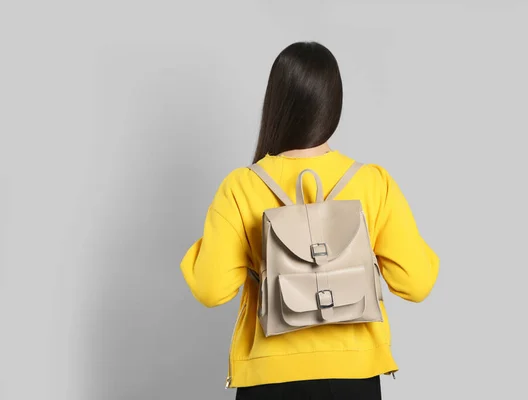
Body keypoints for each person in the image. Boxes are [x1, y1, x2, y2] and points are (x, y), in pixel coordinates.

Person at [180, 41, 440, 400]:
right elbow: (417, 282)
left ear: (276, 103)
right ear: (334, 105)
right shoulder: (372, 183)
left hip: (269, 379)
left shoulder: (241, 187)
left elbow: (210, 289)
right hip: (354, 378)